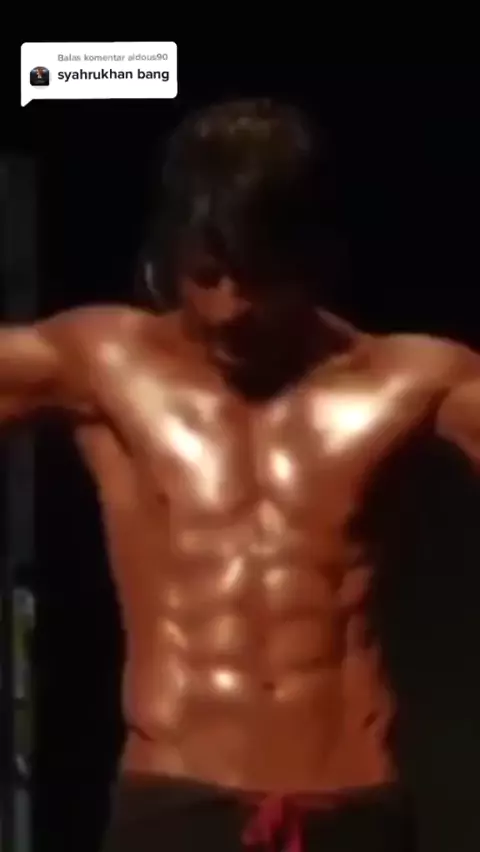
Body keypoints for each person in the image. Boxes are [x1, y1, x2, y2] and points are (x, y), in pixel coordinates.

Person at [1, 98, 480, 851]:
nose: (229, 308)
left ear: (312, 261)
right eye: (206, 276)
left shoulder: (411, 382)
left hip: (352, 809)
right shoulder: (103, 363)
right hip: (175, 803)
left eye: (258, 279)